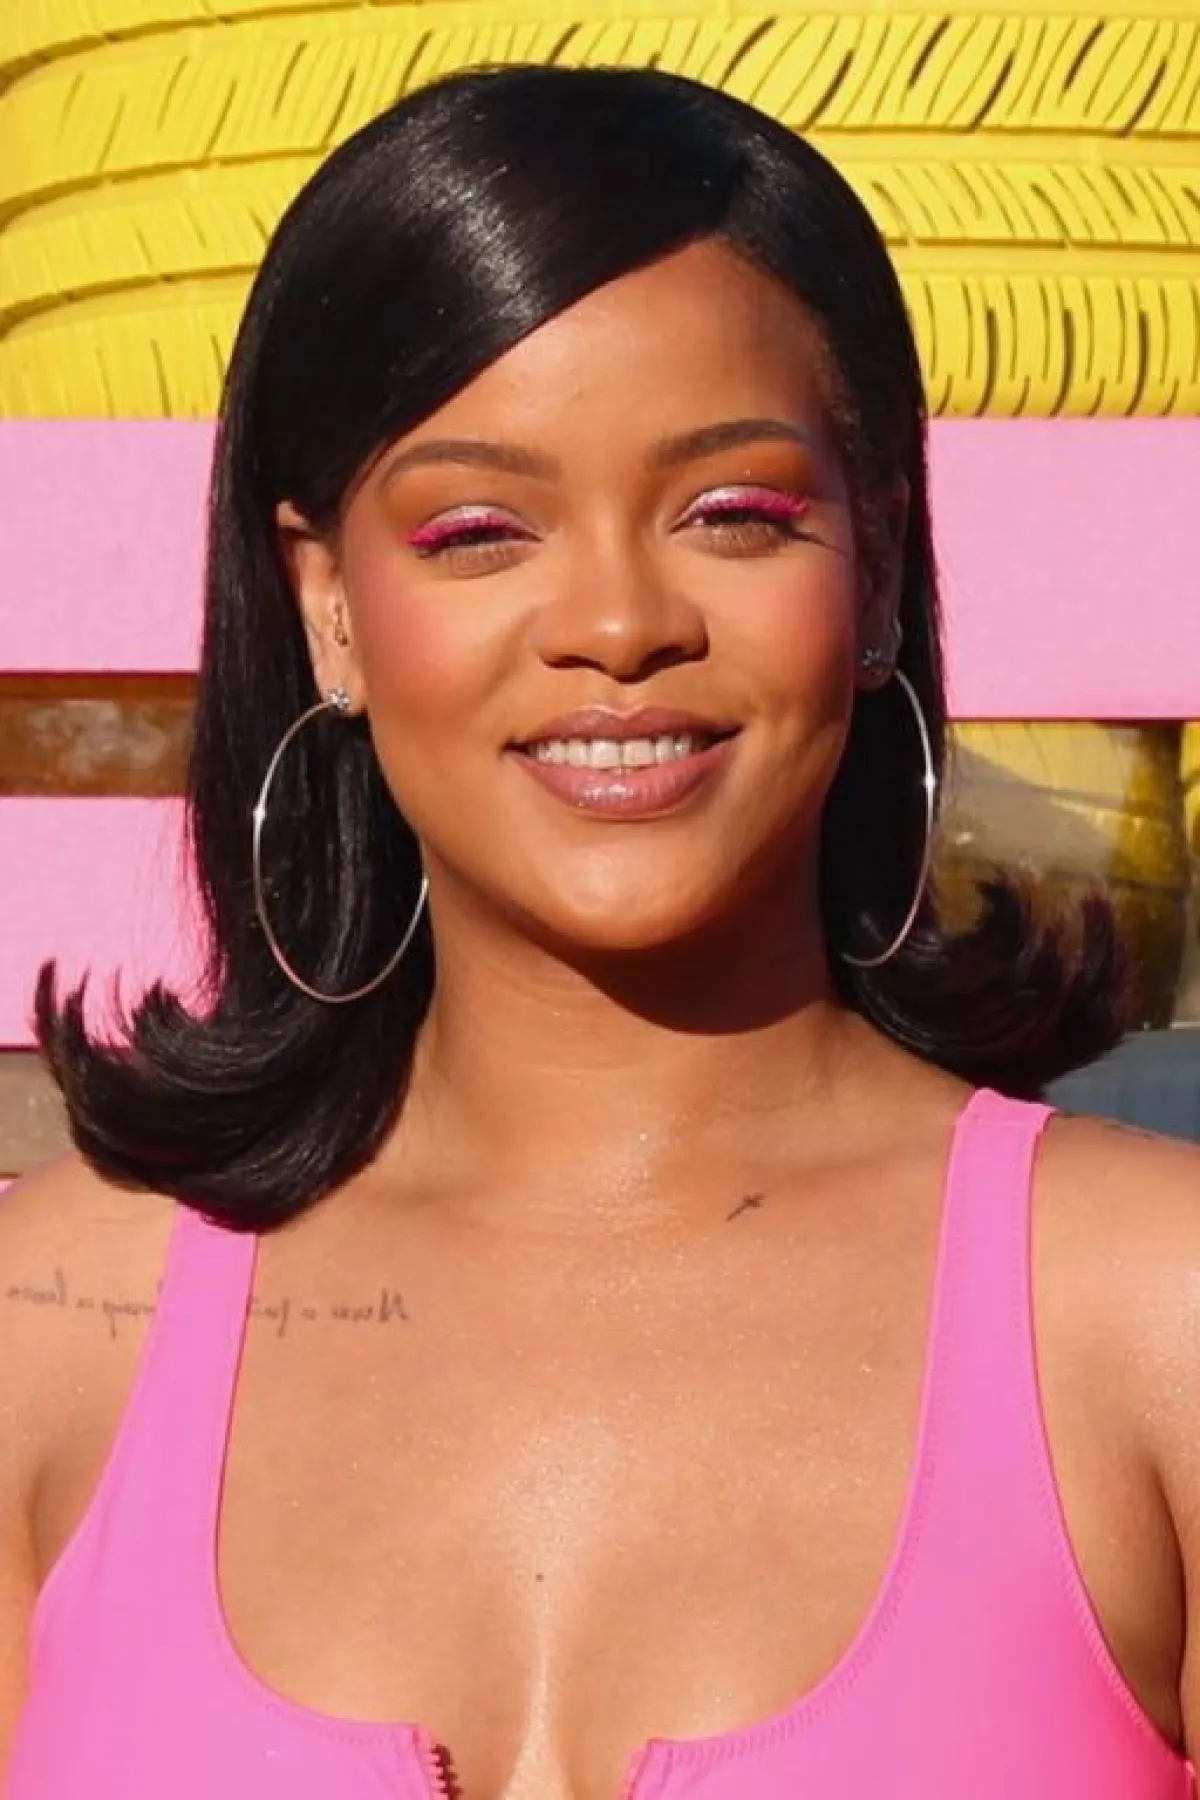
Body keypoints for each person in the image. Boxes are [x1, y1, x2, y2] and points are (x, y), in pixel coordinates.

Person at [1, 61, 1198, 1800]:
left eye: (734, 515)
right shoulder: (53, 1323)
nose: (621, 624)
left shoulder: (1152, 1315)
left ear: (874, 566)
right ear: (329, 606)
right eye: (480, 531)